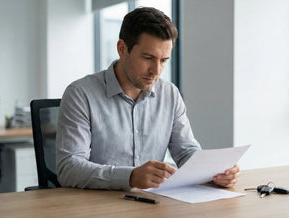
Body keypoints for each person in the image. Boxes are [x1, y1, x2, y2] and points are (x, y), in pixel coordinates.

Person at [56, 7, 240, 190]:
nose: (156, 71)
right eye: (148, 58)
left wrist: (214, 172)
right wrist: (129, 177)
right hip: (99, 206)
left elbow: (186, 152)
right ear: (122, 49)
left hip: (154, 203)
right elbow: (69, 168)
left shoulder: (170, 94)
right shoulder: (80, 94)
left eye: (163, 60)